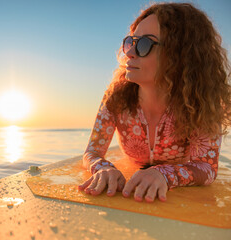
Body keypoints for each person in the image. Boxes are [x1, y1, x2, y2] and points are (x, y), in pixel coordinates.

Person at [78, 2, 231, 203]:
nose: (130, 53)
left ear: (181, 55)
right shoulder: (117, 98)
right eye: (131, 42)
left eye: (144, 44)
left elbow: (206, 167)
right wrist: (103, 168)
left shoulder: (198, 103)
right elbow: (92, 152)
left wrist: (164, 174)